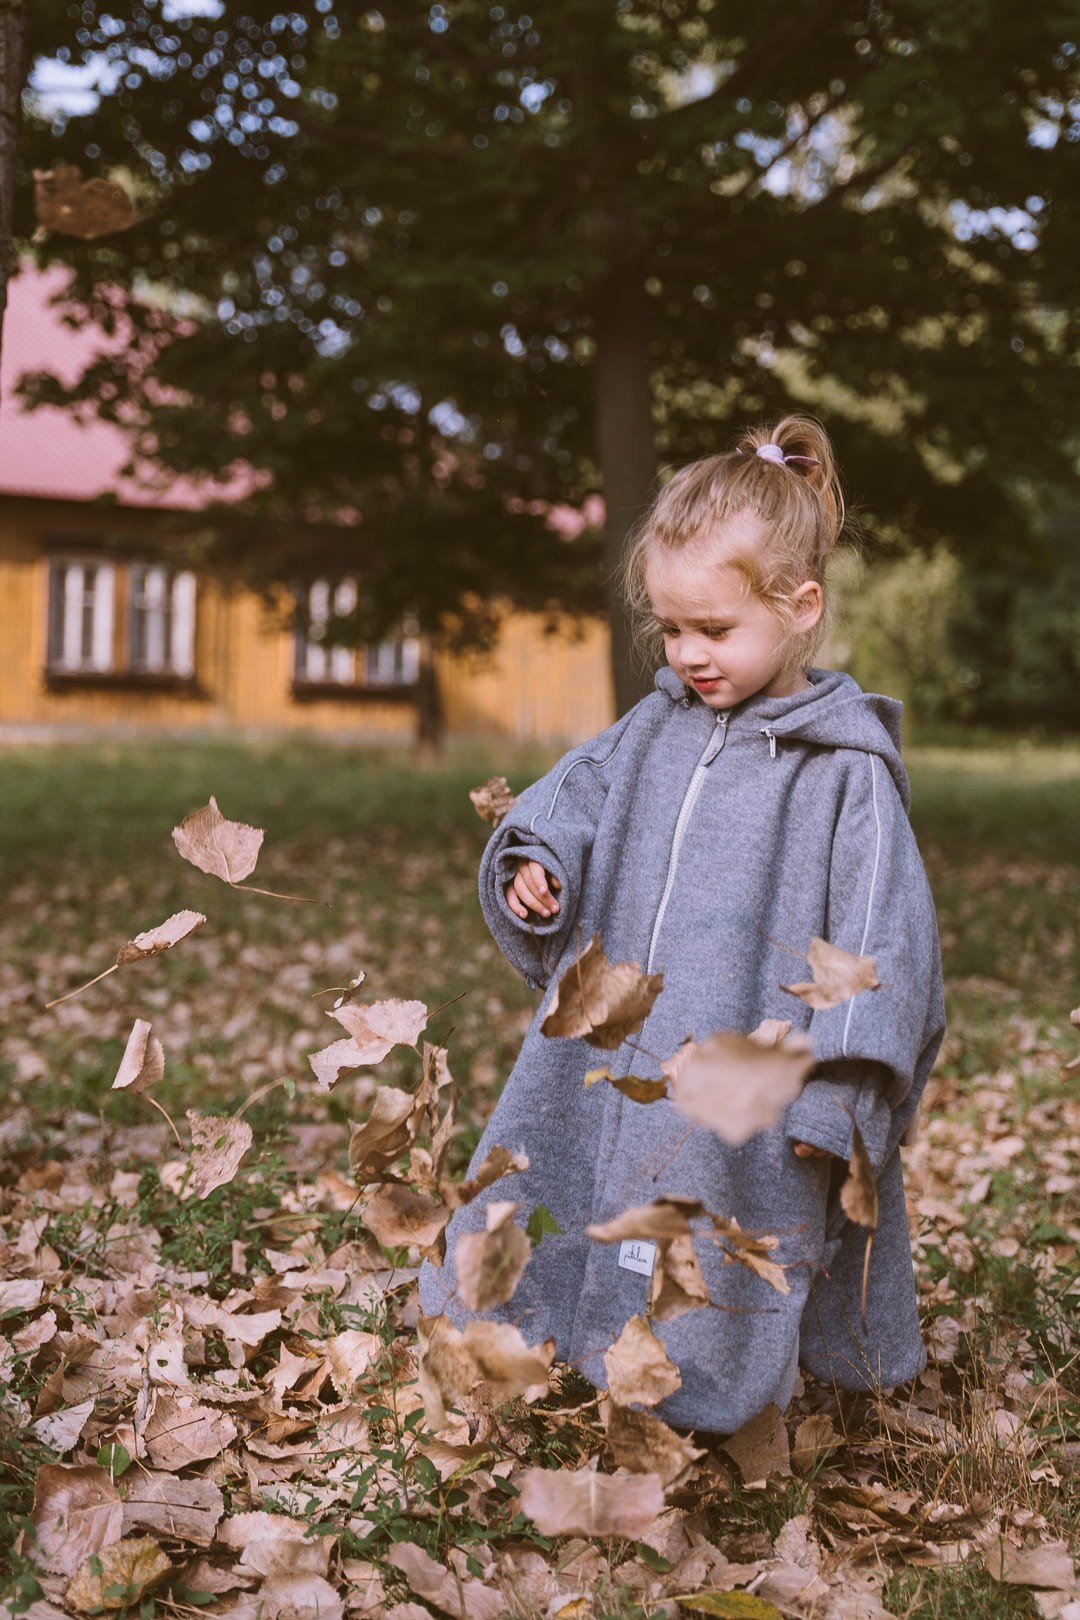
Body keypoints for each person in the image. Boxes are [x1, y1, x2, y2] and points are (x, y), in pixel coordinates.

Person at [415, 414, 946, 1439]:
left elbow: (884, 949)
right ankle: (533, 1340)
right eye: (670, 628)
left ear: (801, 609)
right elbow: (565, 803)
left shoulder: (845, 775)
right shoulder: (652, 727)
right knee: (559, 1183)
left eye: (714, 630)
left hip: (747, 1070)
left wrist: (836, 1097)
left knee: (711, 1232)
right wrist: (538, 869)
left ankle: (694, 1400)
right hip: (612, 1045)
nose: (687, 653)